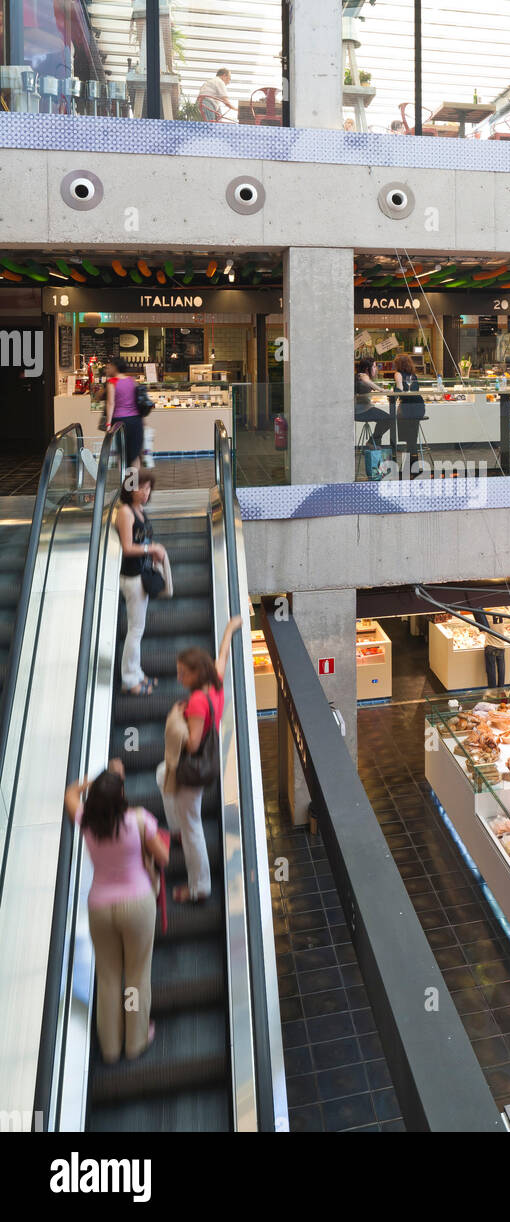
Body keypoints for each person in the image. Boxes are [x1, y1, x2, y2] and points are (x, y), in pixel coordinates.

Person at [64, 759, 169, 1062]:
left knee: (108, 977)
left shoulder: (85, 819)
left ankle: (110, 1047)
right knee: (136, 975)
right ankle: (135, 1041)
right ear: (121, 796)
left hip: (99, 906)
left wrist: (94, 781)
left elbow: (70, 794)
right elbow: (163, 857)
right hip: (137, 904)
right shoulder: (138, 820)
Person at [156, 616, 242, 904]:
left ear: (196, 673)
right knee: (160, 774)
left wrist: (177, 719)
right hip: (208, 761)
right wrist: (230, 628)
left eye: (183, 674)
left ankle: (199, 888)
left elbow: (192, 745)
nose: (179, 678)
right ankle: (177, 829)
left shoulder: (195, 702)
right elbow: (224, 655)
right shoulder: (215, 682)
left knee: (194, 825)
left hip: (194, 769)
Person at [116, 469, 166, 696]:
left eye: (148, 488)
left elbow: (141, 541)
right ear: (130, 488)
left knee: (138, 629)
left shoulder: (139, 510)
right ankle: (129, 679)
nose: (145, 492)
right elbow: (127, 548)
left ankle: (136, 673)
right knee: (135, 630)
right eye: (140, 487)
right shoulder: (126, 512)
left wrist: (152, 551)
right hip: (131, 577)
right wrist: (151, 548)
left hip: (141, 574)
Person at [104, 355, 144, 468]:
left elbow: (111, 403)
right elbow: (138, 402)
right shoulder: (132, 381)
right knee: (135, 455)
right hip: (136, 421)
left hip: (120, 422)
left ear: (115, 367)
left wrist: (108, 424)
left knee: (122, 454)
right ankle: (134, 483)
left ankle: (125, 483)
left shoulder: (112, 382)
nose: (108, 368)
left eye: (110, 366)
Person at [393, 352, 425, 474]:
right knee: (412, 437)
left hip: (408, 408)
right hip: (419, 407)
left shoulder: (398, 374)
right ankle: (413, 465)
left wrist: (393, 392)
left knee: (408, 437)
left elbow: (400, 390)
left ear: (398, 364)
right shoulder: (413, 375)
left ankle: (409, 466)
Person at [354, 357, 390, 447]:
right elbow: (366, 380)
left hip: (361, 410)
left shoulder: (358, 376)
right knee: (389, 419)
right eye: (374, 366)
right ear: (367, 368)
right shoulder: (362, 375)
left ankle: (373, 444)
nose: (376, 368)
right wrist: (381, 390)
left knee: (387, 419)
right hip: (362, 411)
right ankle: (372, 443)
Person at [473, 610, 506, 688]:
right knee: (501, 670)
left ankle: (492, 690)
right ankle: (501, 689)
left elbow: (482, 628)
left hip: (490, 646)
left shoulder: (486, 614)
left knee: (491, 670)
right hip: (501, 646)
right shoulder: (504, 612)